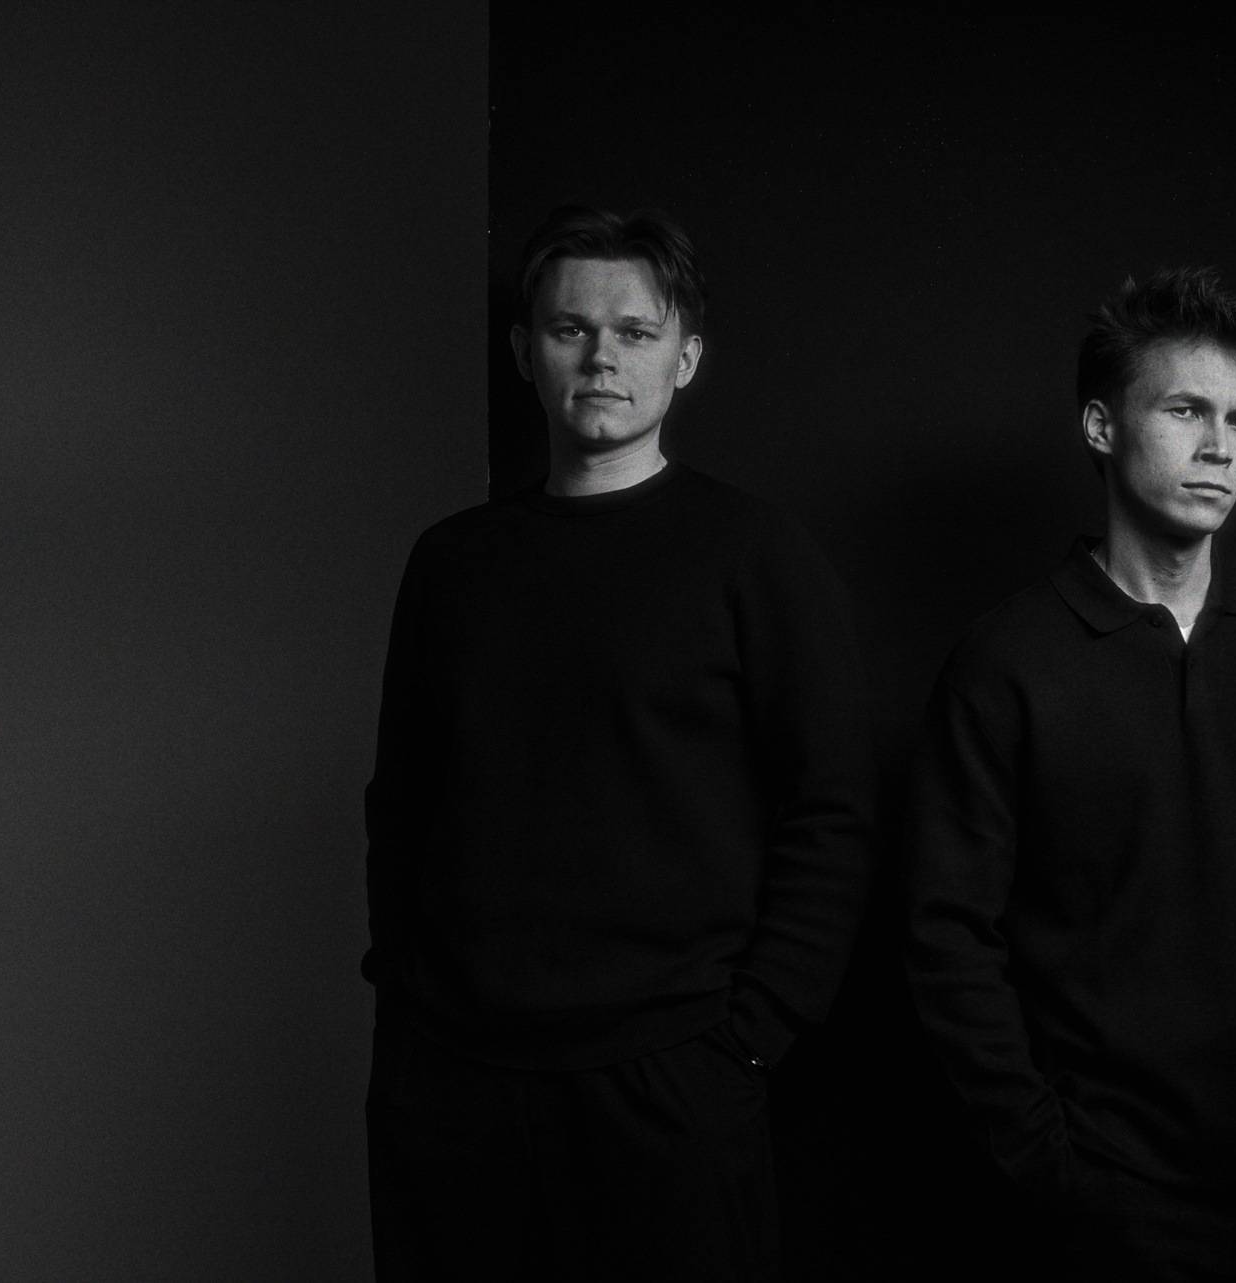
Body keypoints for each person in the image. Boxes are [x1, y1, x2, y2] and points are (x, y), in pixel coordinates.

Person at [361, 204, 873, 1280]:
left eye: (635, 332)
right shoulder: (451, 562)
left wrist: (750, 1033)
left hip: (671, 1073)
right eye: (570, 329)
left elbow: (832, 808)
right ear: (525, 351)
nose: (602, 357)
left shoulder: (756, 555)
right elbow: (401, 799)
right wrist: (405, 1004)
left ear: (685, 358)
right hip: (456, 1079)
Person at [904, 267, 1236, 1280]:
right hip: (1114, 1201)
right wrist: (1049, 1162)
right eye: (1186, 410)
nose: (1220, 446)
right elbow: (947, 933)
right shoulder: (1008, 662)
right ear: (1102, 426)